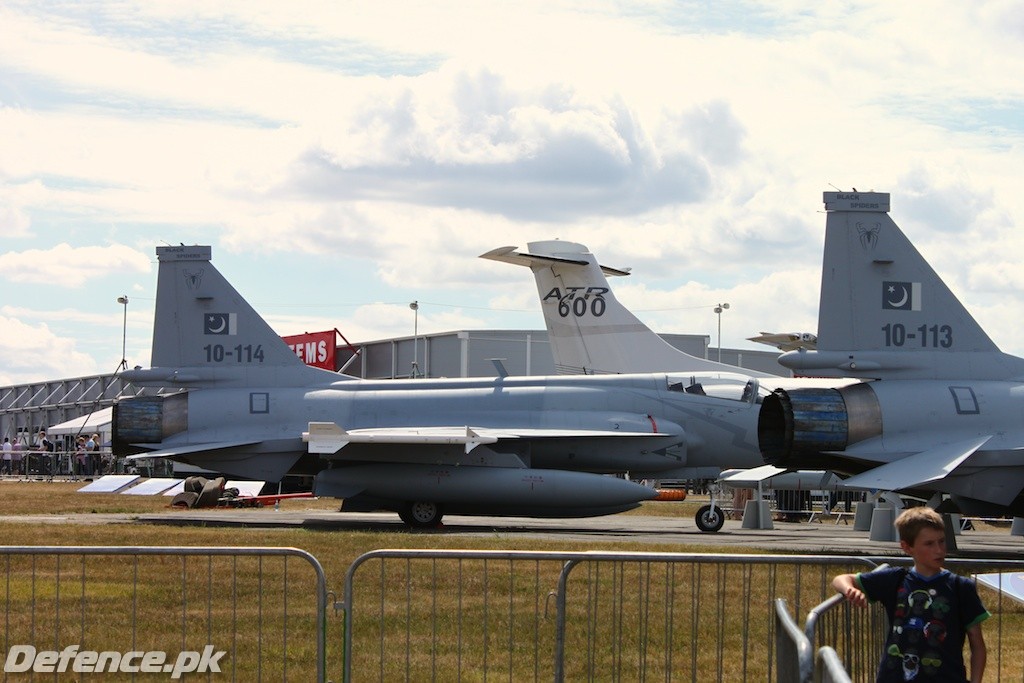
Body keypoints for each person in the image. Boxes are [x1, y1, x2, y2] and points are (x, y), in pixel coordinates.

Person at [832, 507, 989, 682]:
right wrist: (850, 590)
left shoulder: (961, 587)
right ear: (907, 547)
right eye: (929, 544)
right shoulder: (895, 579)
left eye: (942, 541)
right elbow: (841, 579)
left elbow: (977, 645)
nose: (939, 550)